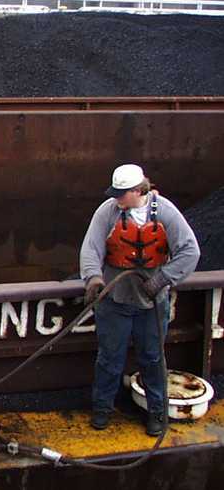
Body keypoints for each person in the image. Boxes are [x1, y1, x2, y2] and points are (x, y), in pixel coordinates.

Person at [80, 164, 199, 435]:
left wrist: (163, 278)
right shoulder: (107, 212)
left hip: (152, 303)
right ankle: (102, 409)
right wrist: (93, 279)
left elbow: (190, 251)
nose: (117, 199)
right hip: (115, 300)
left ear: (138, 190)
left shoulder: (166, 213)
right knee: (110, 358)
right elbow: (91, 247)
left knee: (153, 358)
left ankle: (157, 412)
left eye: (122, 194)